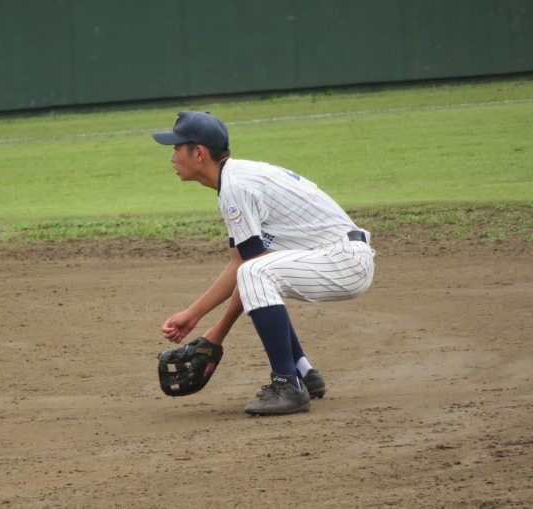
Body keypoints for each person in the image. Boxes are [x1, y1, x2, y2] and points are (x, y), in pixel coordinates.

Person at [152, 111, 375, 416]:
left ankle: (287, 386)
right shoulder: (236, 179)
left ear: (199, 153)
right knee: (257, 271)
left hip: (344, 261)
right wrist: (193, 315)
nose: (172, 157)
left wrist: (215, 334)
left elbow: (249, 270)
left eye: (177, 148)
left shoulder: (235, 187)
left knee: (257, 272)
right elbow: (239, 263)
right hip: (336, 254)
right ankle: (302, 373)